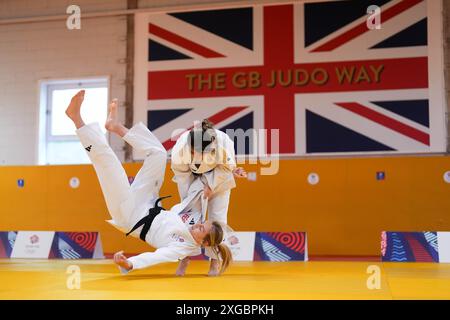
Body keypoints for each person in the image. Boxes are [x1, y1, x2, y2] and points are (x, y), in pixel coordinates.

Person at [65, 90, 232, 275]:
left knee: (110, 165)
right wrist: (204, 188)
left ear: (204, 242)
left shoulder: (181, 247)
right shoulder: (192, 223)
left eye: (201, 228)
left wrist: (129, 264)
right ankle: (116, 126)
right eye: (202, 223)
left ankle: (77, 119)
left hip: (130, 215)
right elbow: (187, 185)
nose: (197, 224)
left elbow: (157, 256)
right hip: (149, 202)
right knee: (158, 153)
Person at [171, 119, 246, 276]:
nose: (195, 155)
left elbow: (227, 168)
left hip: (220, 178)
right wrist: (189, 201)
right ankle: (184, 257)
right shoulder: (179, 149)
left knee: (218, 218)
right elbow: (182, 176)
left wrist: (211, 185)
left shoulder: (223, 142)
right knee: (189, 217)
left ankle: (215, 261)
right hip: (191, 180)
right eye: (192, 152)